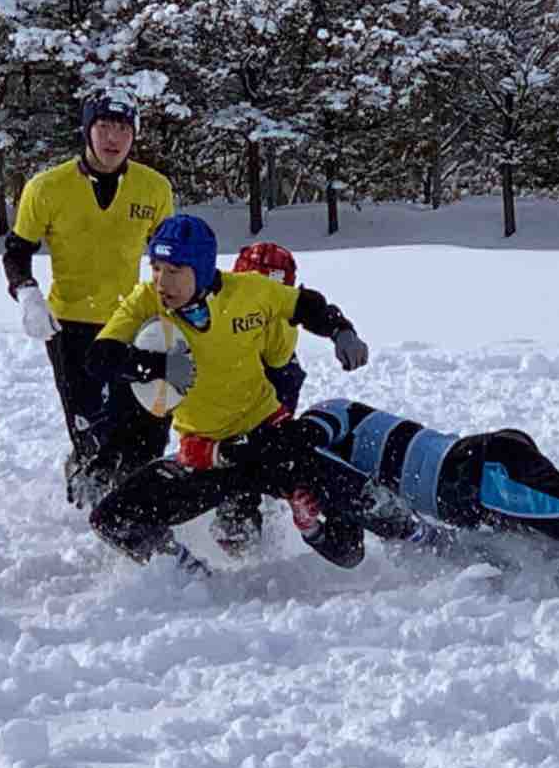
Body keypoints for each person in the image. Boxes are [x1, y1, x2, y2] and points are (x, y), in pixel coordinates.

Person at [86, 215, 373, 574]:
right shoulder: (146, 300)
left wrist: (342, 331)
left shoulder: (249, 291)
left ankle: (312, 526)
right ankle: (192, 578)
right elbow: (100, 359)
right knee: (112, 519)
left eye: (174, 270)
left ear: (202, 269)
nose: (162, 282)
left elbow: (306, 304)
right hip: (207, 459)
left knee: (351, 538)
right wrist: (156, 366)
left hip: (270, 442)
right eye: (156, 268)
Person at [229, 398, 559, 573]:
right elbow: (349, 552)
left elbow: (311, 441)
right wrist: (310, 524)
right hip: (478, 503)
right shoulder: (316, 478)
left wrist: (257, 453)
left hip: (484, 470)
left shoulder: (322, 423)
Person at [1, 87, 174, 507]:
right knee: (88, 423)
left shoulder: (154, 188)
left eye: (123, 128)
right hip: (69, 324)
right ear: (86, 130)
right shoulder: (47, 187)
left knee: (140, 419)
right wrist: (27, 294)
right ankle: (88, 477)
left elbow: (169, 254)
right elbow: (17, 251)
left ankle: (134, 492)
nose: (113, 138)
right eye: (104, 126)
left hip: (130, 321)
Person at [209, 242, 308, 558]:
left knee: (253, 455)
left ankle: (240, 528)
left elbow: (278, 359)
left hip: (265, 391)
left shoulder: (277, 327)